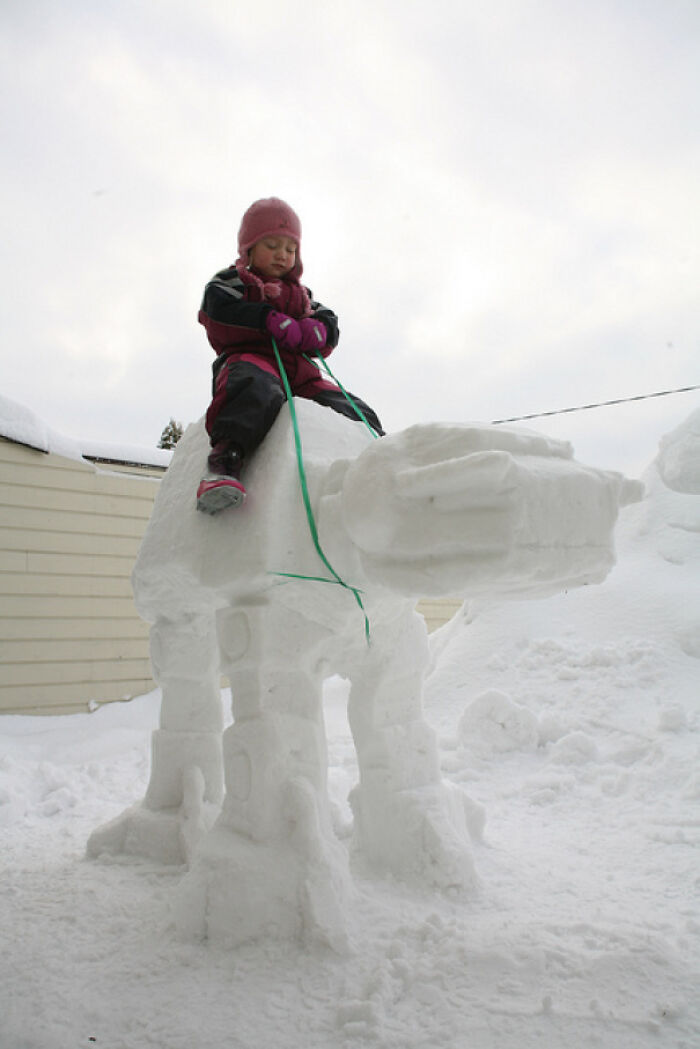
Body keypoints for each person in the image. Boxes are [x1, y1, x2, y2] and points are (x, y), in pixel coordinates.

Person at [196, 197, 384, 514]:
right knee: (253, 389)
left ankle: (381, 457)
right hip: (252, 359)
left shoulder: (302, 295)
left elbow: (329, 319)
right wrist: (265, 319)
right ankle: (225, 462)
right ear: (249, 248)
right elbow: (217, 310)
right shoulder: (232, 283)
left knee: (347, 406)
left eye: (290, 249)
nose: (283, 255)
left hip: (301, 373)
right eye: (272, 245)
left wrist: (318, 330)